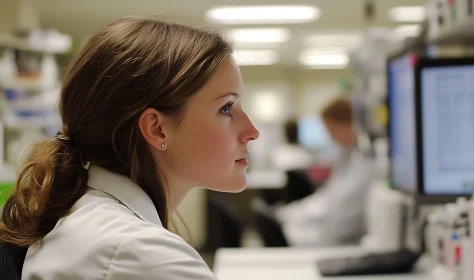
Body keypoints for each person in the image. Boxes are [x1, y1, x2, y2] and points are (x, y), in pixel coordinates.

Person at [0, 16, 259, 279]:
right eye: (226, 108)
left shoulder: (89, 220)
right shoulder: (140, 254)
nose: (252, 131)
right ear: (157, 128)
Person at [274, 97, 375, 247]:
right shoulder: (345, 156)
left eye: (332, 130)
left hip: (345, 240)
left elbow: (340, 210)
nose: (330, 136)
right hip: (331, 232)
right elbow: (329, 196)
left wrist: (298, 214)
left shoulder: (365, 163)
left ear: (347, 124)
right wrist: (295, 212)